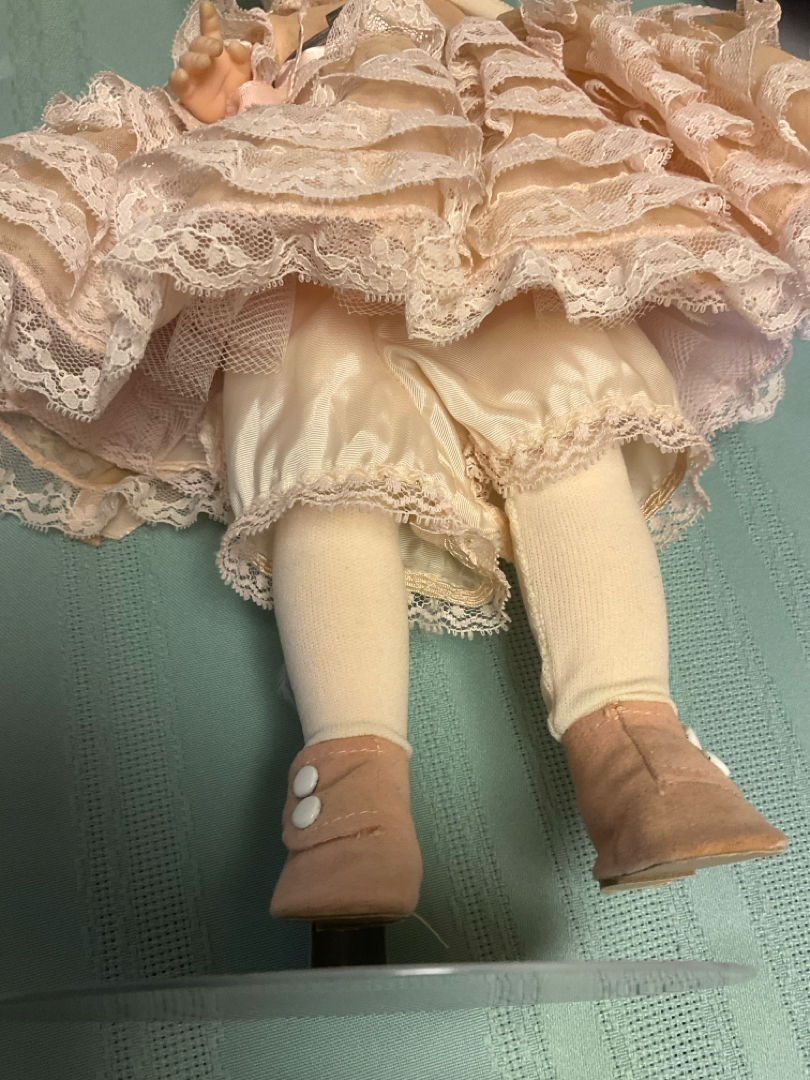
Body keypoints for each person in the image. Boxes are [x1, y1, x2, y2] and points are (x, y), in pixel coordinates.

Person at [0, 0, 795, 926]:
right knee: (324, 463)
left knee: (569, 430)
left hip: (511, 240)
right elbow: (238, 100)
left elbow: (628, 60)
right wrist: (222, 100)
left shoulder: (522, 30)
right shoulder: (315, 32)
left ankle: (641, 757)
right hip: (319, 242)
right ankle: (353, 797)